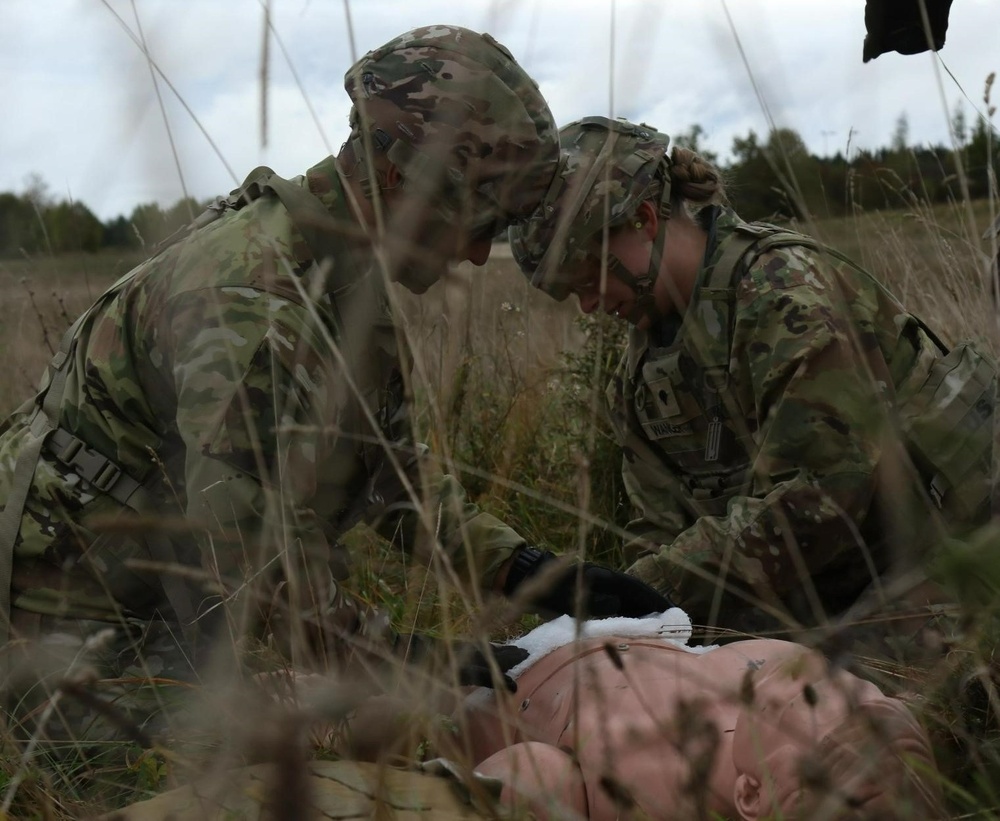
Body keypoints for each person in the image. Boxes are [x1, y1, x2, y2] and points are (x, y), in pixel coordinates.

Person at [0, 29, 670, 766]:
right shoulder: (254, 305)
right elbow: (257, 576)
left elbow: (390, 478)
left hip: (160, 588)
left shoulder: (346, 281)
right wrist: (423, 655)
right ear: (395, 174)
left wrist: (531, 570)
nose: (479, 254)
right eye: (478, 217)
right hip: (63, 607)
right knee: (242, 780)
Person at [508, 115, 995, 640]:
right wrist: (643, 614)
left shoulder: (782, 292)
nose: (588, 304)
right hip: (827, 595)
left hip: (952, 564)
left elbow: (828, 493)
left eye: (588, 276)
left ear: (645, 220)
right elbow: (655, 528)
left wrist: (656, 586)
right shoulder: (647, 368)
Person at [463, 619, 944, 820]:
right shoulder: (788, 670)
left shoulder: (650, 792)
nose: (835, 686)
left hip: (499, 686)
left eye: (804, 704)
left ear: (750, 794)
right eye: (862, 695)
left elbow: (522, 773)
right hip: (639, 625)